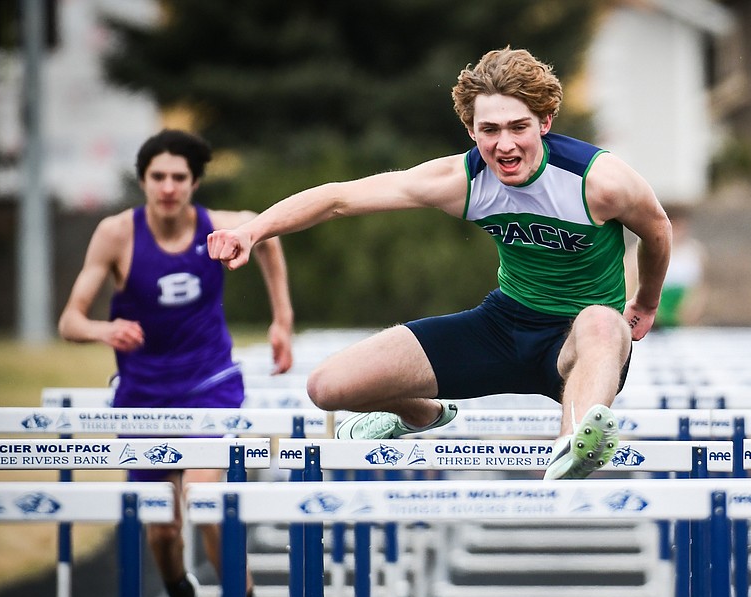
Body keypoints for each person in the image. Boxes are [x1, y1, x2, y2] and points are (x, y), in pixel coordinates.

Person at [207, 47, 671, 480]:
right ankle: (420, 413)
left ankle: (575, 445)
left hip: (582, 342)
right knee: (327, 387)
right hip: (504, 326)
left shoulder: (600, 181)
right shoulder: (461, 181)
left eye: (518, 127)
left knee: (602, 322)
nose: (504, 145)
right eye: (489, 131)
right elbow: (339, 199)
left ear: (545, 122)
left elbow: (656, 229)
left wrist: (646, 301)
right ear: (472, 131)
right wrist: (252, 231)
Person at [58, 129, 295, 597]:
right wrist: (104, 330)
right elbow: (69, 320)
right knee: (163, 528)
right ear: (143, 181)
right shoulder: (116, 234)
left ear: (194, 183)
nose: (168, 187)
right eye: (158, 177)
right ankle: (180, 595)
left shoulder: (218, 227)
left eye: (179, 178)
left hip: (209, 385)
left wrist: (282, 319)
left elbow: (270, 236)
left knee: (207, 498)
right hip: (143, 397)